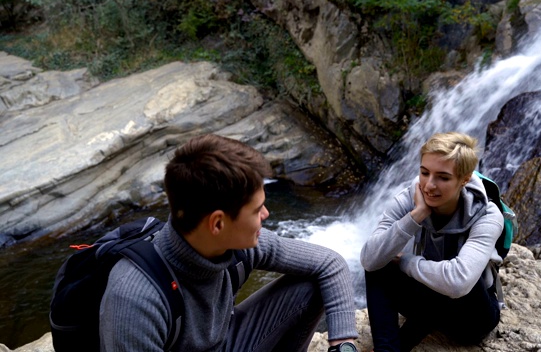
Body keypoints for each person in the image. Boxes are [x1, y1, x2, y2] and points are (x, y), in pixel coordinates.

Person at [99, 134, 360, 352]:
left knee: (310, 282)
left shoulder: (241, 245)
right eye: (257, 209)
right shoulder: (135, 298)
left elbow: (330, 263)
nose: (266, 214)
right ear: (217, 224)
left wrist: (343, 345)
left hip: (227, 343)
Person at [360, 132, 503, 351]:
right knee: (380, 260)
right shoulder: (411, 196)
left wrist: (406, 262)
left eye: (443, 177)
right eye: (424, 173)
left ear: (464, 179)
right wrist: (415, 216)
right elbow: (369, 259)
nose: (429, 185)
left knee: (460, 275)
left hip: (471, 318)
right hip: (430, 302)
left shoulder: (487, 215)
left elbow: (459, 282)